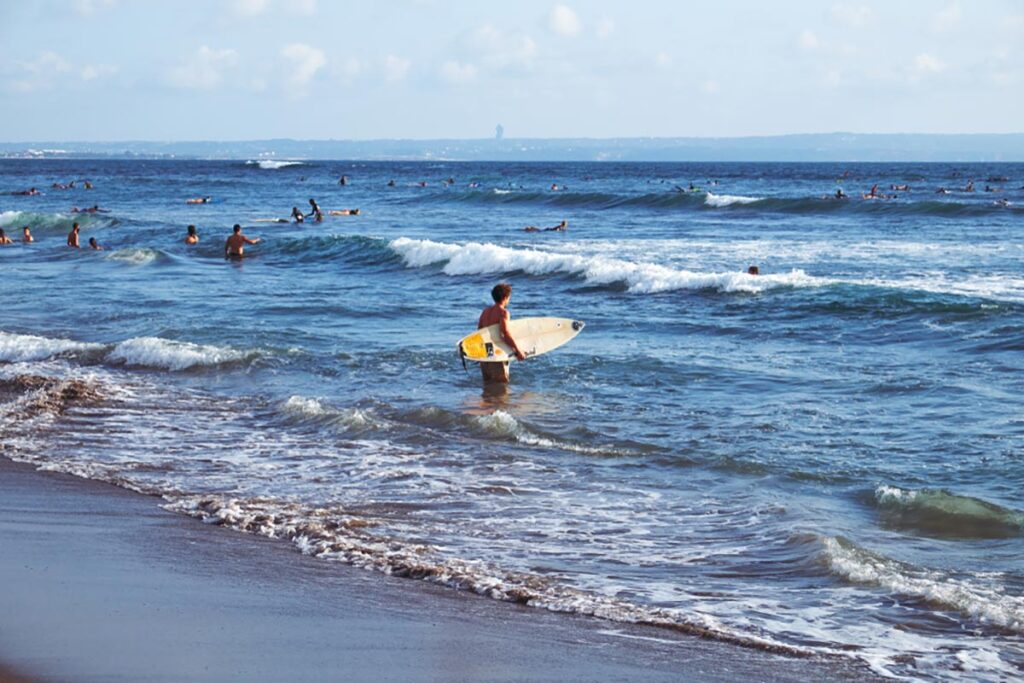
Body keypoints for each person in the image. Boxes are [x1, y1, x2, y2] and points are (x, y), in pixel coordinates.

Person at [477, 283, 526, 384]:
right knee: (501, 388)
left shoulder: (485, 312)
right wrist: (517, 350)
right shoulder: (503, 313)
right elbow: (504, 333)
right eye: (509, 298)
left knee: (488, 386)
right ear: (505, 297)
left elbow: (479, 332)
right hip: (497, 352)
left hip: (486, 353)